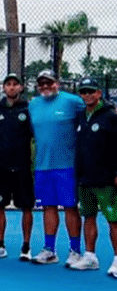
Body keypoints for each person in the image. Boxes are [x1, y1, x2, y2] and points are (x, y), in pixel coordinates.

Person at [28, 68, 84, 265]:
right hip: (43, 166)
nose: (45, 86)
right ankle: (49, 250)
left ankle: (75, 251)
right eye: (41, 83)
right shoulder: (33, 104)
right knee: (48, 207)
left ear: (57, 83)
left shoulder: (73, 102)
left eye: (49, 82)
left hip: (67, 166)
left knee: (70, 207)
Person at [72, 77, 117, 274]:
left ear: (99, 93)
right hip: (85, 178)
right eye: (83, 92)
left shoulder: (111, 117)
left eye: (91, 91)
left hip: (106, 178)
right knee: (88, 216)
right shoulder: (81, 116)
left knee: (113, 219)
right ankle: (90, 256)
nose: (87, 95)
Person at [0, 73, 35, 260]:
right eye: (8, 84)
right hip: (0, 167)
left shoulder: (28, 109)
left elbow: (35, 136)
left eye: (16, 84)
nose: (12, 87)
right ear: (4, 87)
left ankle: (26, 246)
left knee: (27, 207)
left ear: (21, 88)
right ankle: (0, 244)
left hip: (22, 166)